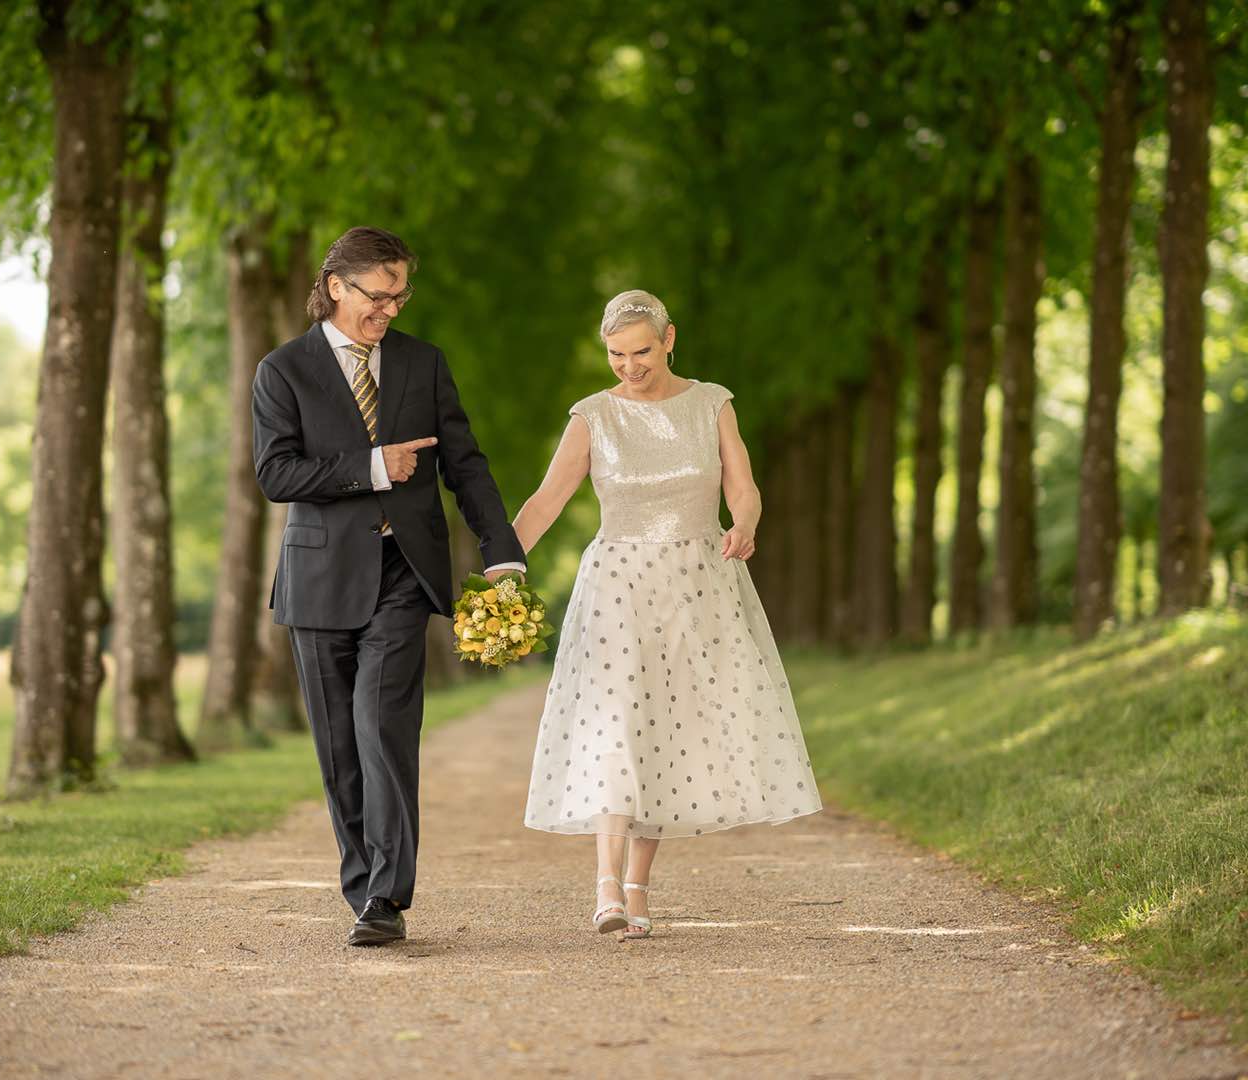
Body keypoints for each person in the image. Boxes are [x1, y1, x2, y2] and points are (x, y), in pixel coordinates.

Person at [512, 289, 823, 939]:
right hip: (617, 585)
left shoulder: (712, 403)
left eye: (641, 351)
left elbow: (742, 482)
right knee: (617, 723)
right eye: (616, 355)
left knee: (667, 731)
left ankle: (638, 888)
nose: (628, 365)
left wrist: (745, 522)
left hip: (695, 582)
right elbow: (545, 502)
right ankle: (605, 887)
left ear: (670, 339)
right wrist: (500, 570)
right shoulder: (593, 416)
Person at [252, 226, 525, 947]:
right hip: (317, 582)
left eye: (401, 296)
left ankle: (387, 898)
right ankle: (361, 887)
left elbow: (465, 464)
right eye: (380, 295)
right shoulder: (282, 372)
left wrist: (502, 551)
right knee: (339, 747)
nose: (392, 310)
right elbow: (275, 475)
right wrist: (373, 466)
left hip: (402, 576)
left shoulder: (423, 365)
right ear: (337, 285)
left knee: (381, 727)